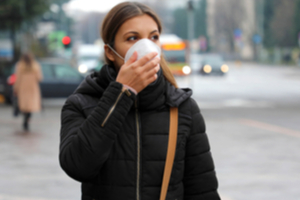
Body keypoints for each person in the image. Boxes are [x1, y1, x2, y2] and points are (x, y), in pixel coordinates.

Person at [59, 2, 220, 200]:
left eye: (154, 37)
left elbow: (203, 191)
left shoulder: (182, 108)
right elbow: (78, 166)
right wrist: (121, 93)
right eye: (132, 38)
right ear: (110, 52)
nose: (147, 47)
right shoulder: (81, 104)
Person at [13, 53, 43, 131]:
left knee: (24, 105)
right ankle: (27, 120)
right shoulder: (36, 66)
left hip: (23, 88)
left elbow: (18, 78)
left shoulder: (19, 66)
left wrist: (15, 88)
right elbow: (39, 78)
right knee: (30, 106)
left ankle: (25, 119)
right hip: (33, 88)